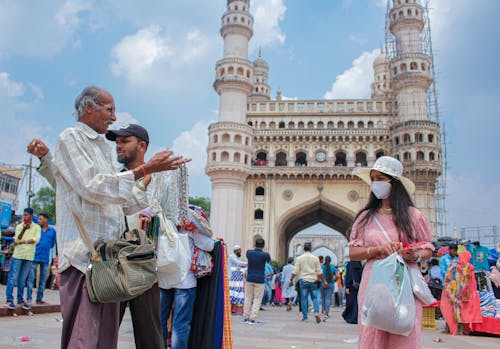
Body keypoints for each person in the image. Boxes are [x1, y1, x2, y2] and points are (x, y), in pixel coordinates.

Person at [27, 86, 188, 349]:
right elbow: (90, 187)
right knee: (85, 337)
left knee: (110, 338)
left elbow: (122, 204)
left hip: (124, 260)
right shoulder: (72, 138)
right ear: (88, 107)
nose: (113, 117)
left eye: (125, 140)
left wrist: (148, 179)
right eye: (109, 110)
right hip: (87, 259)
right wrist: (144, 172)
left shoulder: (108, 154)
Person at [349, 156, 434, 349]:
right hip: (374, 280)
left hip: (403, 280)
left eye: (380, 178)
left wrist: (415, 255)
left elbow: (427, 247)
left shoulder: (413, 216)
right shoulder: (365, 217)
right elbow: (353, 252)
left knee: (404, 333)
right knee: (372, 334)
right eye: (373, 179)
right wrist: (377, 249)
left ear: (393, 182)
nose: (375, 184)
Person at [105, 124, 165, 349]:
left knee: (149, 334)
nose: (118, 146)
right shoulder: (114, 179)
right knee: (105, 329)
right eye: (117, 142)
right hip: (115, 263)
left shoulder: (160, 179)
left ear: (141, 146)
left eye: (124, 141)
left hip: (145, 265)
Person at [4, 208, 41, 310]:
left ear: (31, 215)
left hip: (29, 256)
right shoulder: (20, 226)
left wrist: (23, 242)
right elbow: (17, 239)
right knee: (12, 278)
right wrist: (25, 230)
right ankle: (9, 300)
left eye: (26, 215)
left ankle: (20, 300)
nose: (25, 217)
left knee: (22, 280)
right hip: (18, 255)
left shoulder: (37, 228)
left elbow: (36, 240)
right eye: (24, 215)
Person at [440, 250, 482, 335]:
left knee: (451, 310)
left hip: (452, 292)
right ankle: (460, 330)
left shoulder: (453, 266)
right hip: (464, 294)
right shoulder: (469, 267)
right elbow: (472, 282)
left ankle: (449, 328)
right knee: (463, 312)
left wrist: (448, 291)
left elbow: (447, 279)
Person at [289, 242, 323, 323]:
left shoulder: (300, 258)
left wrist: (291, 280)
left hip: (303, 280)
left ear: (303, 248)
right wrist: (324, 281)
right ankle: (316, 312)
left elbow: (295, 271)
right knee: (314, 298)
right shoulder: (315, 258)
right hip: (313, 281)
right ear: (311, 249)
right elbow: (319, 272)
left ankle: (305, 317)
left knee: (303, 299)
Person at [26, 212, 57, 305]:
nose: (39, 221)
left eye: (41, 219)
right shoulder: (36, 229)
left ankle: (39, 298)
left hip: (45, 257)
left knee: (43, 279)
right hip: (34, 256)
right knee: (31, 278)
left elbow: (52, 244)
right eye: (38, 219)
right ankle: (29, 298)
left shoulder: (52, 231)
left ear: (46, 220)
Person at [243, 238, 271, 325]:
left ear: (254, 244)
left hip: (250, 278)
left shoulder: (249, 252)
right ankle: (252, 318)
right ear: (263, 245)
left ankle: (246, 317)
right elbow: (269, 260)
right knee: (257, 299)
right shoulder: (265, 255)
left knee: (248, 298)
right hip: (260, 279)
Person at [229, 245, 247, 314]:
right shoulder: (232, 256)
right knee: (232, 294)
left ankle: (235, 310)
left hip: (237, 278)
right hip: (232, 278)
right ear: (235, 251)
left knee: (237, 294)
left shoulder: (238, 258)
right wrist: (248, 263)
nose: (240, 252)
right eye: (239, 250)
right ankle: (231, 309)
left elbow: (240, 266)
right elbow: (238, 263)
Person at [321, 255, 337, 320]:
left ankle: (323, 311)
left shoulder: (322, 267)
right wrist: (334, 279)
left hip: (323, 283)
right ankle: (326, 313)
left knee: (323, 298)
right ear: (330, 261)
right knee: (328, 298)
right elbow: (338, 275)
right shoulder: (333, 267)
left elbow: (319, 275)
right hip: (330, 283)